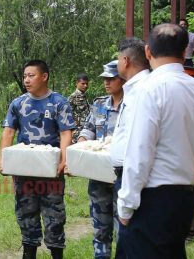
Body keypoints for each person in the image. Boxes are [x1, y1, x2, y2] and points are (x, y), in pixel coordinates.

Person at [115, 23, 194, 258]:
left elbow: (139, 152)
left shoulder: (148, 90)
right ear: (185, 52)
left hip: (152, 198)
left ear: (148, 52)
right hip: (185, 197)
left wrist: (126, 205)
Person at [0, 59, 74, 259]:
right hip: (24, 171)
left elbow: (66, 133)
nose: (26, 80)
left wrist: (64, 160)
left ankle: (56, 253)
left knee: (54, 218)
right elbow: (8, 132)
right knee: (26, 216)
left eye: (31, 75)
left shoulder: (59, 102)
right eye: (24, 76)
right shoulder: (18, 103)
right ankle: (28, 252)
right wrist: (2, 159)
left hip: (51, 171)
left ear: (44, 76)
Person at [76, 60, 123, 259]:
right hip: (98, 175)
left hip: (123, 176)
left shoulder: (134, 104)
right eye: (104, 79)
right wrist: (82, 143)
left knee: (123, 226)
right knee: (100, 226)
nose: (106, 83)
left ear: (123, 78)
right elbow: (88, 129)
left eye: (111, 78)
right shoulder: (99, 103)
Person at [108, 37, 151, 199]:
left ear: (125, 60)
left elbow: (140, 144)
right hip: (126, 173)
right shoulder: (133, 88)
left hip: (132, 176)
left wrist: (129, 197)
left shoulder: (143, 90)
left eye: (118, 59)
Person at [67, 73, 90, 142]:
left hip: (85, 130)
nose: (85, 86)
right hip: (77, 131)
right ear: (77, 83)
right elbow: (66, 114)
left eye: (86, 84)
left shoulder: (84, 96)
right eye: (83, 83)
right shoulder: (73, 97)